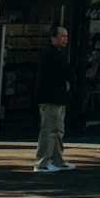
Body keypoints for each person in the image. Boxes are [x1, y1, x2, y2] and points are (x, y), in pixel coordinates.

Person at [34, 24, 75, 173]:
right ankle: (42, 162)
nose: (65, 39)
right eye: (62, 36)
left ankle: (57, 160)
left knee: (58, 130)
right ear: (52, 38)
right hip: (51, 97)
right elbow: (65, 71)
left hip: (59, 98)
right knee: (49, 129)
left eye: (66, 36)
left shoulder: (56, 53)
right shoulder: (50, 54)